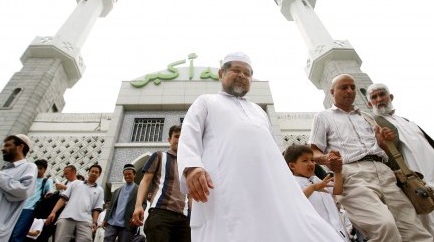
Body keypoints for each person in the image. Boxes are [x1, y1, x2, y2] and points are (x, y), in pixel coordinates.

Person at [177, 52, 342, 242]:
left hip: (267, 186)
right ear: (221, 74)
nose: (242, 76)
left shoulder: (258, 111)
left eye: (247, 74)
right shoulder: (206, 101)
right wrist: (192, 167)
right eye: (236, 70)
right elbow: (189, 135)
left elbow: (272, 151)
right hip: (225, 186)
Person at [309, 73, 432, 242]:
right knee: (385, 228)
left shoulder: (367, 117)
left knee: (415, 231)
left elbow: (383, 150)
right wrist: (326, 159)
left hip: (385, 173)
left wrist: (384, 143)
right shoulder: (323, 117)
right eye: (344, 87)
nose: (350, 90)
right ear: (332, 92)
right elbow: (314, 151)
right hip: (353, 175)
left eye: (352, 87)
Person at [367, 82, 434, 236]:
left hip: (430, 164)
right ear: (369, 103)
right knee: (427, 216)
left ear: (390, 97)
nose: (379, 99)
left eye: (381, 94)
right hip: (415, 177)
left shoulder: (406, 121)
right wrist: (385, 141)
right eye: (374, 97)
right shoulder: (374, 124)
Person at [132, 124, 192, 242]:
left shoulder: (188, 165)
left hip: (183, 218)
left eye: (182, 137)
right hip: (160, 214)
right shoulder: (159, 156)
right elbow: (145, 181)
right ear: (169, 140)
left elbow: (190, 194)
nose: (179, 140)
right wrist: (138, 205)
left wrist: (194, 214)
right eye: (176, 136)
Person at [284, 144, 349, 241]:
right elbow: (296, 201)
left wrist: (337, 172)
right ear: (292, 165)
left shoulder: (316, 180)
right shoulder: (292, 184)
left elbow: (337, 190)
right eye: (305, 160)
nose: (311, 163)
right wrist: (313, 188)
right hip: (317, 235)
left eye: (312, 160)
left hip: (337, 232)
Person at [46, 164, 104, 242]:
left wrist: (94, 222)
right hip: (67, 217)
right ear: (88, 172)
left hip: (85, 220)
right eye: (92, 171)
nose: (94, 173)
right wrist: (53, 212)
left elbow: (97, 208)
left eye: (96, 172)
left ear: (99, 175)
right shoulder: (76, 183)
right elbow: (63, 198)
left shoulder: (100, 190)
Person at [10, 159, 54, 242]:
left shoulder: (47, 181)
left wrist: (48, 196)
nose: (38, 170)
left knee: (18, 233)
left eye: (40, 168)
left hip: (30, 209)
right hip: (18, 207)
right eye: (36, 168)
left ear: (45, 170)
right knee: (10, 231)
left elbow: (50, 194)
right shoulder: (29, 178)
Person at [104, 164, 142, 242]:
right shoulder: (118, 190)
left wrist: (136, 216)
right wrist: (106, 219)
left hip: (127, 224)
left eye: (129, 174)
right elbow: (111, 206)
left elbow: (143, 204)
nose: (127, 176)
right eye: (125, 175)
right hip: (112, 222)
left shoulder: (139, 189)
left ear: (134, 175)